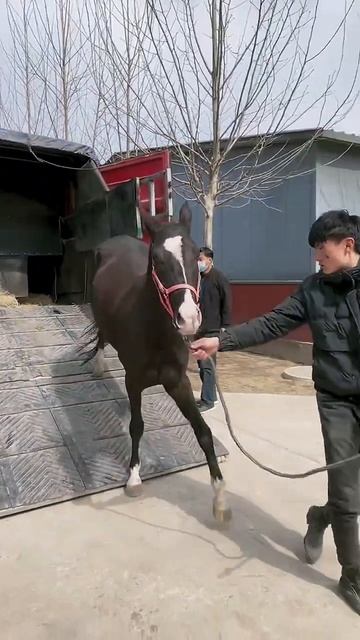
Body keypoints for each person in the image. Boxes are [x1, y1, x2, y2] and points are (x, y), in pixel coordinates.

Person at [191, 210, 360, 615]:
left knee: (349, 492)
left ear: (347, 246)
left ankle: (320, 516)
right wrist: (221, 340)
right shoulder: (312, 291)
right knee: (347, 489)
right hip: (336, 401)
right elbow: (270, 324)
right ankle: (352, 577)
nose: (317, 259)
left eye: (322, 251)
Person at [195, 246, 231, 412]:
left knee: (207, 365)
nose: (198, 263)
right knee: (202, 366)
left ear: (209, 260)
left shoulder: (219, 278)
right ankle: (211, 396)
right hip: (199, 328)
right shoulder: (198, 278)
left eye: (200, 259)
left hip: (212, 328)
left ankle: (208, 400)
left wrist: (225, 326)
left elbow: (227, 302)